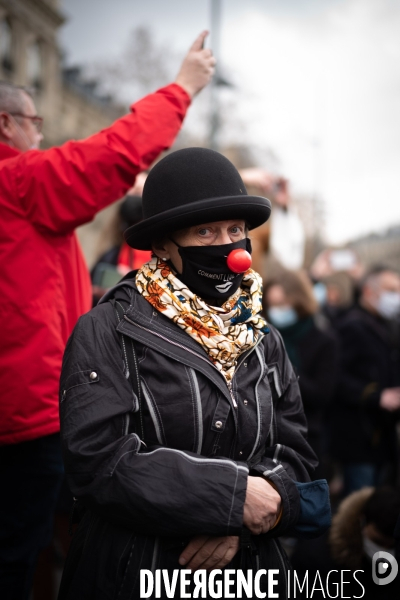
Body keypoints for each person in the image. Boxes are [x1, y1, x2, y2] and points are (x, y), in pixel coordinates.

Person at [58, 147, 329, 599]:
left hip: (250, 574)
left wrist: (243, 521)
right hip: (134, 574)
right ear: (163, 244)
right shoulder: (107, 328)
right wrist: (231, 499)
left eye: (236, 230)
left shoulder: (263, 336)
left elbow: (295, 451)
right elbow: (99, 461)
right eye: (205, 231)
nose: (230, 249)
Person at [0, 32, 215, 599]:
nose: (41, 136)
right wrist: (182, 88)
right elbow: (110, 154)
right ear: (6, 125)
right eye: (35, 122)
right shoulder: (16, 181)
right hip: (25, 421)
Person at [330, 266, 400, 496]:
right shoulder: (351, 325)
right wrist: (377, 396)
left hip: (381, 437)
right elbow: (335, 378)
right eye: (391, 290)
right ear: (369, 291)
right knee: (358, 507)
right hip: (358, 437)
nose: (396, 296)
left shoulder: (384, 324)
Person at [263, 270, 339, 479]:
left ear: (299, 301)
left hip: (306, 437)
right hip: (264, 439)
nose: (278, 311)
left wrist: (282, 368)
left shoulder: (323, 340)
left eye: (284, 304)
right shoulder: (260, 335)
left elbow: (322, 395)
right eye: (273, 305)